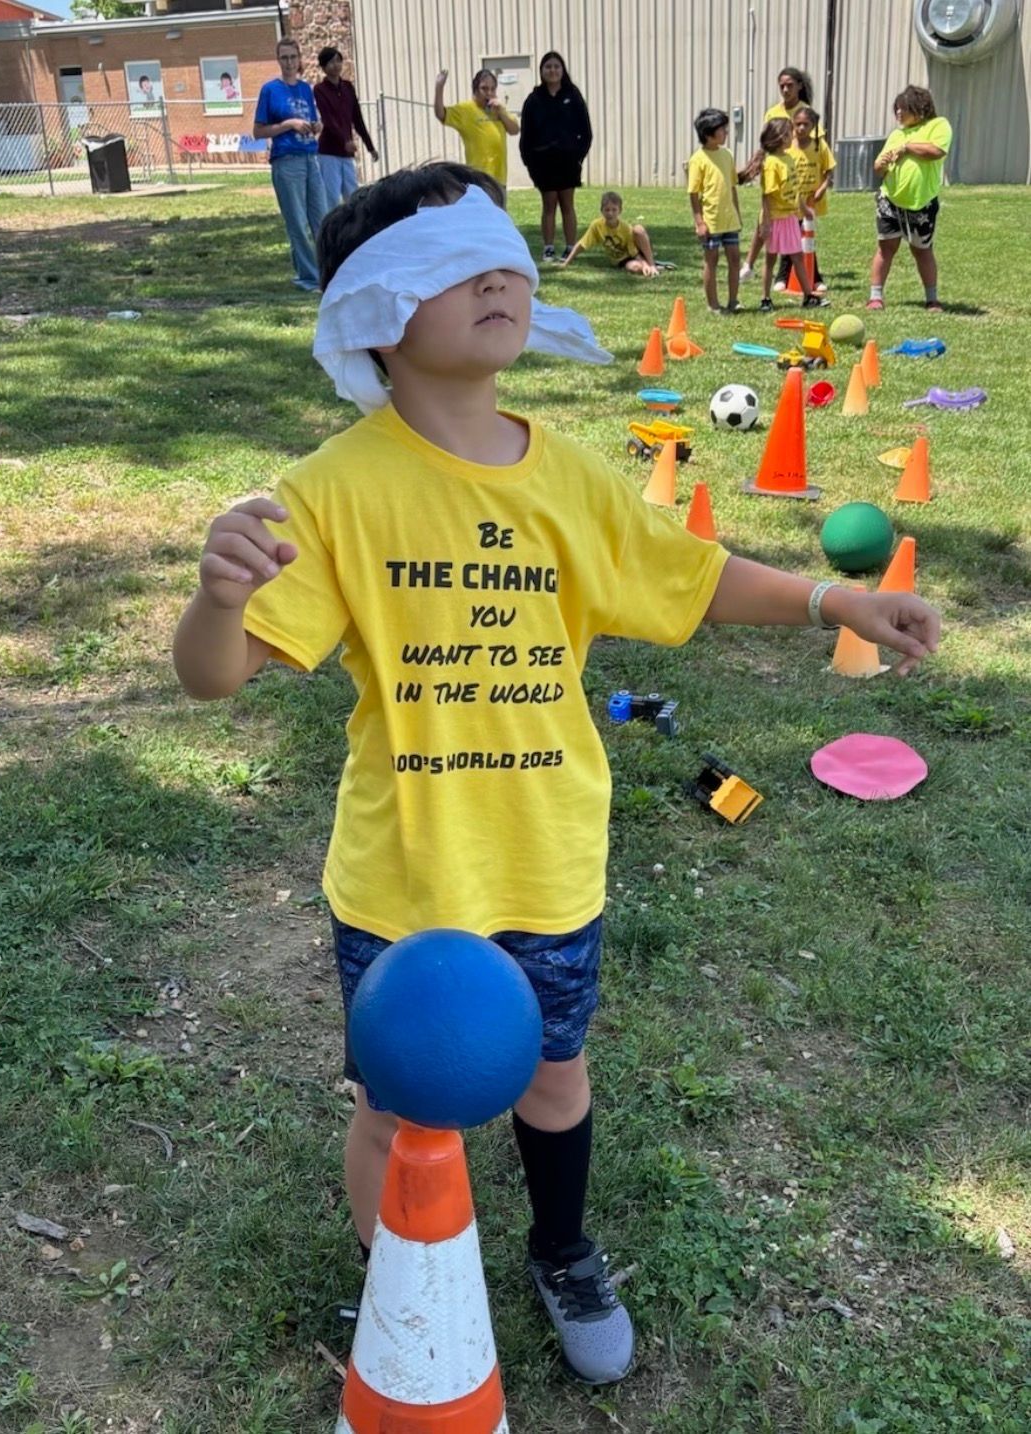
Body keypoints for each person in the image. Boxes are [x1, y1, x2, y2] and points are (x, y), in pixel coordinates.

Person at [173, 159, 940, 1386]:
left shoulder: (573, 473)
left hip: (547, 852)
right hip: (402, 870)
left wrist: (828, 597)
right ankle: (404, 1277)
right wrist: (215, 603)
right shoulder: (331, 493)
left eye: (501, 252)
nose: (494, 273)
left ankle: (565, 1246)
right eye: (447, 261)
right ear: (378, 308)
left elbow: (687, 580)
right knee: (392, 1099)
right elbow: (216, 677)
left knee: (554, 1073)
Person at [253, 38, 328, 293]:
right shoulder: (270, 90)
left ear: (299, 59)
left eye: (292, 57)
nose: (289, 63)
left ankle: (326, 272)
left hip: (310, 158)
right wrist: (288, 125)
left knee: (321, 218)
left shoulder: (306, 89)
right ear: (278, 60)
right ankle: (309, 277)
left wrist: (316, 127)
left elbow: (313, 120)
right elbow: (258, 131)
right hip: (286, 160)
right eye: (284, 58)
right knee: (297, 221)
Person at [867, 86, 951, 313]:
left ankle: (932, 299)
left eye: (903, 108)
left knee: (922, 250)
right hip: (890, 200)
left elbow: (936, 151)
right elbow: (878, 168)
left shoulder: (938, 125)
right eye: (896, 109)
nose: (898, 113)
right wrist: (880, 164)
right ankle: (875, 297)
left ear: (920, 108)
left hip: (921, 204)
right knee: (885, 247)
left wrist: (907, 148)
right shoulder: (896, 134)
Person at [740, 65, 815, 282]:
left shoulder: (804, 111)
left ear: (799, 86)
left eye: (789, 85)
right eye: (781, 85)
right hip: (776, 170)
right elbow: (766, 141)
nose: (785, 89)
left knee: (795, 225)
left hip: (795, 170)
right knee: (765, 221)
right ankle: (750, 265)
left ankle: (790, 276)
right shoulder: (773, 112)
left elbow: (814, 141)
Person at [518, 50, 592, 263]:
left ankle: (570, 247)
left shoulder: (573, 95)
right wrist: (530, 162)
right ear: (542, 71)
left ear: (562, 70)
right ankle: (548, 248)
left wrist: (578, 156)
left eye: (556, 66)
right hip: (543, 163)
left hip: (568, 162)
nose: (552, 70)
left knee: (567, 204)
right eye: (548, 67)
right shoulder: (533, 100)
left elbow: (586, 131)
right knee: (549, 205)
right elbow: (526, 136)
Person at [758, 118, 827, 311]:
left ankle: (808, 296)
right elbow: (767, 195)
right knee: (770, 259)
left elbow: (795, 189)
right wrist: (765, 222)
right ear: (780, 138)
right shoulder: (772, 163)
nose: (793, 136)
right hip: (775, 219)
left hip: (790, 217)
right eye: (789, 133)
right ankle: (765, 298)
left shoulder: (788, 158)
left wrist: (803, 209)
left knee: (797, 256)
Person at [433, 67, 519, 199]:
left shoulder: (498, 109)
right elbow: (441, 114)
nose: (489, 93)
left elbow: (515, 130)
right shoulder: (465, 110)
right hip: (478, 179)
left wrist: (501, 112)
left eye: (492, 89)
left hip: (499, 178)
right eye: (484, 88)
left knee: (498, 217)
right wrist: (439, 87)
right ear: (475, 89)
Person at [688, 108, 742, 314]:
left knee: (735, 258)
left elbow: (732, 187)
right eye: (722, 130)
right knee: (711, 260)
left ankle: (734, 300)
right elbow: (694, 194)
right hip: (711, 221)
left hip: (730, 221)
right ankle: (713, 304)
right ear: (709, 134)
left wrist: (737, 213)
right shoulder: (698, 159)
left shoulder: (727, 155)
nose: (726, 133)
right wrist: (699, 222)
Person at [775, 103, 833, 293]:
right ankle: (782, 277)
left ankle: (814, 278)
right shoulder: (788, 146)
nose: (800, 128)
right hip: (791, 202)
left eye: (805, 124)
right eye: (797, 124)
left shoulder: (819, 146)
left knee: (807, 241)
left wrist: (822, 189)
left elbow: (829, 171)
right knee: (789, 239)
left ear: (813, 126)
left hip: (810, 203)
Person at [313, 45, 379, 209]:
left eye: (338, 61)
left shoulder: (348, 87)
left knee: (353, 197)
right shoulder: (320, 90)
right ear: (323, 67)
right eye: (330, 62)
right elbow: (328, 119)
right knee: (332, 198)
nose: (335, 66)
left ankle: (353, 229)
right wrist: (344, 140)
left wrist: (370, 147)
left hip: (346, 153)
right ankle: (331, 231)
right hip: (329, 152)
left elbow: (357, 119)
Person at [559, 191, 660, 277]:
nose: (610, 213)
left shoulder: (625, 228)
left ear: (620, 211)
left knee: (638, 229)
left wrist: (645, 263)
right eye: (607, 210)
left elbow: (634, 252)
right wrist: (566, 263)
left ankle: (651, 264)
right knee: (635, 268)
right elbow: (581, 245)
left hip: (635, 253)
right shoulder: (597, 226)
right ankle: (651, 264)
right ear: (601, 211)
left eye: (614, 210)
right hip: (622, 259)